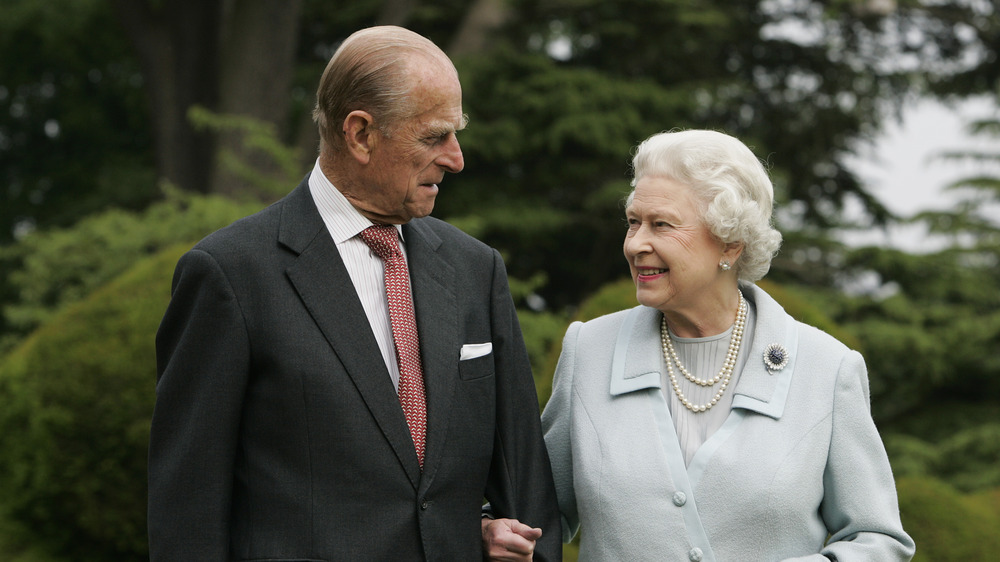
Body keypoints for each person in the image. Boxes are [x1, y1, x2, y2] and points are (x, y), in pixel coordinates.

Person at [148, 25, 560, 561]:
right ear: (361, 134)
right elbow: (187, 515)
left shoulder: (475, 270)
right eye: (435, 136)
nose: (456, 158)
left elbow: (525, 491)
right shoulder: (229, 275)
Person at [530, 129, 915, 560]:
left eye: (661, 224)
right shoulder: (590, 350)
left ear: (730, 243)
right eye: (633, 222)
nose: (636, 243)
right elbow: (536, 512)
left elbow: (878, 540)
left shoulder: (827, 368)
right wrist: (495, 529)